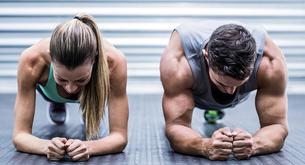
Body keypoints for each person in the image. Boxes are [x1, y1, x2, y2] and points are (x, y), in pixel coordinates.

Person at [160, 21, 288, 160]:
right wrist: (204, 146)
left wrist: (254, 144)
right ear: (206, 57)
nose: (230, 92)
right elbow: (176, 126)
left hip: (224, 85)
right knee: (195, 96)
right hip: (198, 90)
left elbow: (277, 125)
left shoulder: (270, 64)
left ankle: (216, 100)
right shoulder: (179, 64)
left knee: (225, 93)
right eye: (222, 83)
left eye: (238, 83)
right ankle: (212, 106)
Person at [13, 13, 128, 161]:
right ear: (51, 57)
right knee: (60, 90)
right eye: (62, 79)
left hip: (93, 88)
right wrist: (46, 146)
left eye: (81, 80)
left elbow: (120, 137)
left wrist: (89, 147)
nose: (71, 89)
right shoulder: (32, 61)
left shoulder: (114, 62)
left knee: (88, 98)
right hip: (49, 92)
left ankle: (87, 102)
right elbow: (19, 135)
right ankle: (57, 100)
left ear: (95, 59)